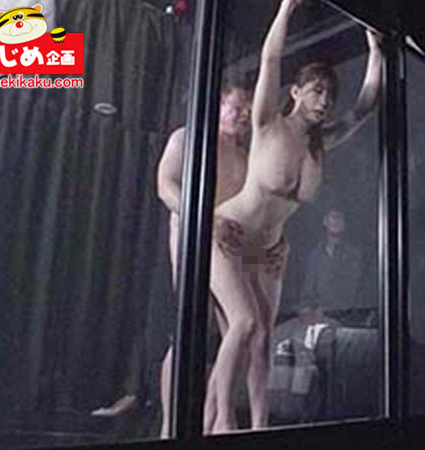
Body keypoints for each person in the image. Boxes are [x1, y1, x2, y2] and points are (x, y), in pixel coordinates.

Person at [206, 0, 382, 432]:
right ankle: (222, 422)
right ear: (295, 93)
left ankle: (260, 425)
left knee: (264, 338)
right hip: (228, 232)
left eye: (330, 95)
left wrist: (375, 49)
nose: (325, 101)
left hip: (270, 248)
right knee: (244, 324)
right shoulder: (268, 122)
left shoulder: (321, 143)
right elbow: (270, 59)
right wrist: (286, 9)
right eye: (316, 91)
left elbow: (364, 106)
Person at [156, 78, 255, 437]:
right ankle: (174, 425)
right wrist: (205, 219)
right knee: (193, 329)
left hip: (229, 246)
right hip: (194, 238)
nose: (243, 115)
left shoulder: (244, 156)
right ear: (218, 106)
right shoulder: (187, 137)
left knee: (237, 333)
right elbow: (165, 185)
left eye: (248, 110)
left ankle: (214, 417)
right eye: (237, 107)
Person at [301, 208, 372, 326]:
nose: (337, 221)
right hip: (318, 320)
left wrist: (327, 309)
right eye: (334, 217)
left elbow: (353, 291)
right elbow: (308, 289)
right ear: (325, 221)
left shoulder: (354, 254)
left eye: (341, 218)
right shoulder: (315, 254)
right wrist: (306, 309)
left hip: (346, 319)